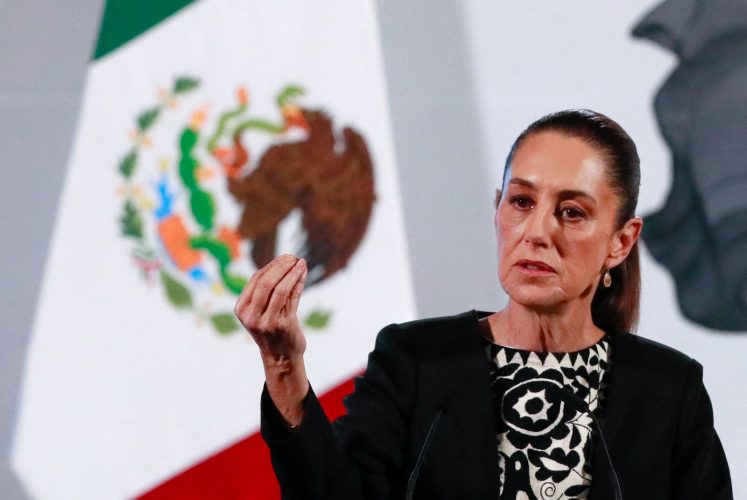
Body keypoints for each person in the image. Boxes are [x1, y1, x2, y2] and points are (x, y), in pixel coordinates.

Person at [234, 109, 733, 499]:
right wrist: (283, 364)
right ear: (497, 210)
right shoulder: (415, 360)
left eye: (572, 212)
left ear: (621, 242)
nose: (536, 232)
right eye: (521, 202)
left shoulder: (670, 390)